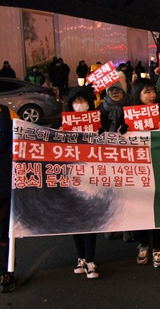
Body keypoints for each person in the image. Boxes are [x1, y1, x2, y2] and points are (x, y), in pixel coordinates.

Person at [128, 78, 160, 268]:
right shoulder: (127, 115)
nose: (152, 95)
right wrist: (124, 130)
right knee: (139, 207)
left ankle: (158, 247)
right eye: (147, 92)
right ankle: (143, 244)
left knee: (159, 206)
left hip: (159, 165)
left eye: (153, 91)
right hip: (137, 168)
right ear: (138, 94)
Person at [62, 85, 100, 278]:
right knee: (76, 219)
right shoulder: (64, 124)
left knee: (89, 218)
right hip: (72, 177)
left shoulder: (98, 121)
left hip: (92, 176)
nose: (79, 105)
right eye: (75, 101)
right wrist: (58, 134)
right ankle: (81, 257)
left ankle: (91, 259)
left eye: (83, 100)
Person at [0, 83, 19, 292]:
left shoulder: (5, 113)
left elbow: (22, 137)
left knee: (3, 233)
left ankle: (6, 273)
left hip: (0, 185)